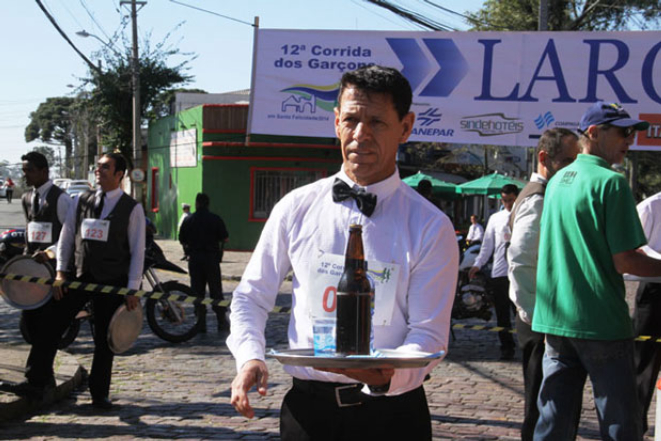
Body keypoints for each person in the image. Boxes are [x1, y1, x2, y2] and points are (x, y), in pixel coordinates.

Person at [227, 65, 458, 440]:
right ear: (336, 122)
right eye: (351, 119)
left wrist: (385, 377)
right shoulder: (296, 207)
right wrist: (250, 356)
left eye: (377, 122)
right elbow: (250, 296)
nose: (360, 135)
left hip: (393, 418)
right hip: (308, 414)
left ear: (406, 126)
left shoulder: (430, 226)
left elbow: (429, 336)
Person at [532, 101, 661, 440]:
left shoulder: (558, 181)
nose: (629, 140)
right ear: (593, 133)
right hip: (600, 320)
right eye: (622, 132)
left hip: (557, 318)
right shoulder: (611, 183)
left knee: (553, 420)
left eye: (631, 132)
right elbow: (627, 261)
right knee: (621, 420)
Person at [54, 152, 145, 410]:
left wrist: (132, 289)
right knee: (53, 324)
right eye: (98, 166)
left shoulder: (132, 208)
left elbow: (137, 250)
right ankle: (39, 379)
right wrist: (61, 272)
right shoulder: (80, 200)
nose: (99, 170)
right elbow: (67, 235)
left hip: (111, 282)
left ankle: (99, 393)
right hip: (80, 277)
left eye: (105, 167)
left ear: (119, 175)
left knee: (104, 340)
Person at [506, 128, 579, 441]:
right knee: (540, 406)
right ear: (545, 159)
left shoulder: (547, 191)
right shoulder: (538, 197)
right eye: (567, 161)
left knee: (545, 404)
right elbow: (521, 260)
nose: (574, 170)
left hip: (543, 316)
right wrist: (535, 315)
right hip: (539, 320)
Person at [0, 152, 71, 400]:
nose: (24, 174)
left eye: (29, 170)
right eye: (24, 169)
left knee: (46, 328)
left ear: (43, 171)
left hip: (53, 274)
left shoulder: (61, 199)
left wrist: (51, 254)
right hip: (32, 275)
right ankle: (45, 376)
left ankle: (36, 380)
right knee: (29, 325)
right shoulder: (27, 197)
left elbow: (69, 235)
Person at [468, 184, 519, 360]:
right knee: (503, 313)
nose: (508, 204)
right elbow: (487, 245)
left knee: (521, 311)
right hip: (500, 271)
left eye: (511, 200)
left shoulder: (524, 215)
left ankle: (528, 344)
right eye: (504, 200)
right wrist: (477, 264)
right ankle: (507, 346)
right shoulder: (496, 218)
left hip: (520, 271)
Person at [179, 193, 229, 332]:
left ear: (197, 203)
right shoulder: (215, 219)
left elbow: (182, 239)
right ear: (208, 204)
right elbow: (224, 238)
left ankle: (201, 322)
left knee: (197, 291)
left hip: (195, 259)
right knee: (216, 290)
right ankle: (221, 321)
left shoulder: (189, 220)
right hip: (211, 259)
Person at [633, 190, 661, 435]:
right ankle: (635, 425)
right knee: (644, 363)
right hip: (655, 289)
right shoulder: (651, 207)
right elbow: (636, 246)